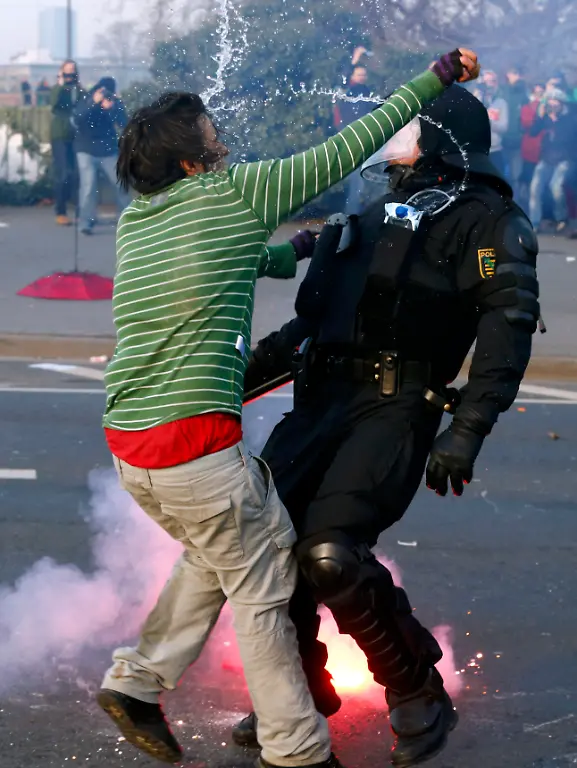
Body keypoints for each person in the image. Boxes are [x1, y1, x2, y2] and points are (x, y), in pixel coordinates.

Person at [95, 51, 480, 768]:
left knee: (222, 550)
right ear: (188, 162)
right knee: (265, 585)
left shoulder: (138, 222)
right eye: (210, 133)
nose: (222, 139)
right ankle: (296, 750)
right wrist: (435, 78)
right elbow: (346, 147)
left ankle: (138, 683)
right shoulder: (235, 192)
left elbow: (229, 256)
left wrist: (297, 250)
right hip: (193, 443)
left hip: (129, 440)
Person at [232, 83, 540, 767]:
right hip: (319, 402)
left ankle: (417, 693)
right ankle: (294, 694)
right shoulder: (375, 212)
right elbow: (316, 325)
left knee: (329, 553)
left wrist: (468, 429)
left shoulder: (489, 223)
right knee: (262, 552)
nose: (384, 134)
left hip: (395, 406)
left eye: (402, 124)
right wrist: (224, 385)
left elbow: (506, 326)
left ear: (436, 135)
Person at [73, 76, 130, 235]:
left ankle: (127, 219)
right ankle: (86, 222)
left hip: (107, 149)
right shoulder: (87, 99)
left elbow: (123, 123)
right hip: (85, 148)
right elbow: (79, 119)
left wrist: (112, 108)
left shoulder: (114, 102)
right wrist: (94, 103)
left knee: (120, 183)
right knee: (88, 186)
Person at [333, 46, 379, 215]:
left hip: (365, 136)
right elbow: (343, 80)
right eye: (359, 74)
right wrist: (354, 60)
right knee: (356, 180)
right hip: (350, 136)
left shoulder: (365, 91)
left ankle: (360, 213)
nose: (362, 77)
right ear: (352, 76)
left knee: (366, 179)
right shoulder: (347, 90)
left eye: (364, 75)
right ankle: (350, 215)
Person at [528, 87, 576, 233]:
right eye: (550, 102)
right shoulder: (546, 117)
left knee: (556, 187)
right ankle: (534, 223)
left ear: (562, 103)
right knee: (535, 188)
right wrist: (541, 117)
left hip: (565, 159)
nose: (552, 105)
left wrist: (556, 121)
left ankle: (561, 218)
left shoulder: (570, 117)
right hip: (547, 158)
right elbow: (533, 132)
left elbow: (567, 138)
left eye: (555, 102)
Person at [50, 60, 84, 226]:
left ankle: (78, 210)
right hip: (60, 135)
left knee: (76, 174)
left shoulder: (78, 90)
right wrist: (60, 84)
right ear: (61, 73)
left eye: (72, 72)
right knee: (63, 173)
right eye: (66, 72)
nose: (70, 76)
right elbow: (53, 104)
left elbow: (85, 104)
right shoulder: (58, 90)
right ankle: (61, 211)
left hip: (76, 136)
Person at [474, 70, 509, 174]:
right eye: (486, 81)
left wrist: (488, 122)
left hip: (495, 150)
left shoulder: (501, 103)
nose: (489, 85)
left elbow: (504, 127)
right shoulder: (474, 100)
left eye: (492, 81)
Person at [502, 66, 528, 199]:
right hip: (501, 139)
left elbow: (527, 116)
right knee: (502, 174)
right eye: (514, 73)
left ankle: (515, 202)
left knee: (516, 175)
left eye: (518, 74)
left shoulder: (524, 93)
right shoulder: (501, 91)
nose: (516, 77)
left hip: (518, 139)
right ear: (508, 75)